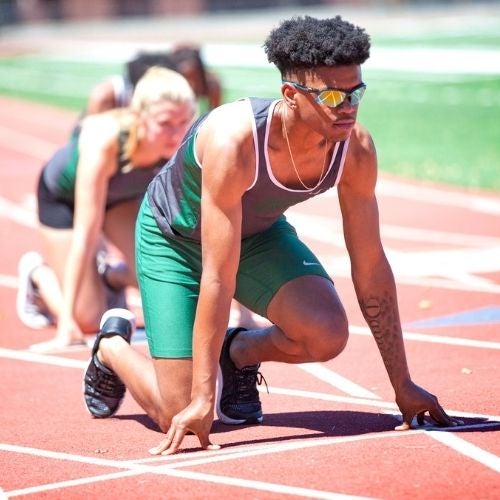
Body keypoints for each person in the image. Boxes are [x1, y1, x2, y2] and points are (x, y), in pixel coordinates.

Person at [82, 15, 462, 455]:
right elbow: (218, 276)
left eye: (356, 91)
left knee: (326, 334)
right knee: (178, 410)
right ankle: (111, 346)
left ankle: (238, 352)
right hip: (175, 240)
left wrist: (403, 383)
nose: (348, 106)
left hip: (255, 233)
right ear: (290, 95)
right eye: (334, 95)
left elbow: (371, 265)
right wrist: (204, 398)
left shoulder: (355, 149)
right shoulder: (234, 140)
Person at [16, 67, 197, 352]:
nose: (176, 132)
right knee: (87, 320)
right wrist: (66, 325)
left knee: (170, 280)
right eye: (165, 123)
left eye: (184, 121)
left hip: (121, 199)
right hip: (64, 201)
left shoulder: (186, 141)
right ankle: (39, 276)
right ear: (139, 116)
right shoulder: (104, 141)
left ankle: (109, 277)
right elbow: (87, 234)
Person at [84, 46, 222, 117]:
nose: (189, 84)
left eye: (194, 78)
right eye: (183, 77)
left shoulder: (210, 85)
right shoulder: (107, 94)